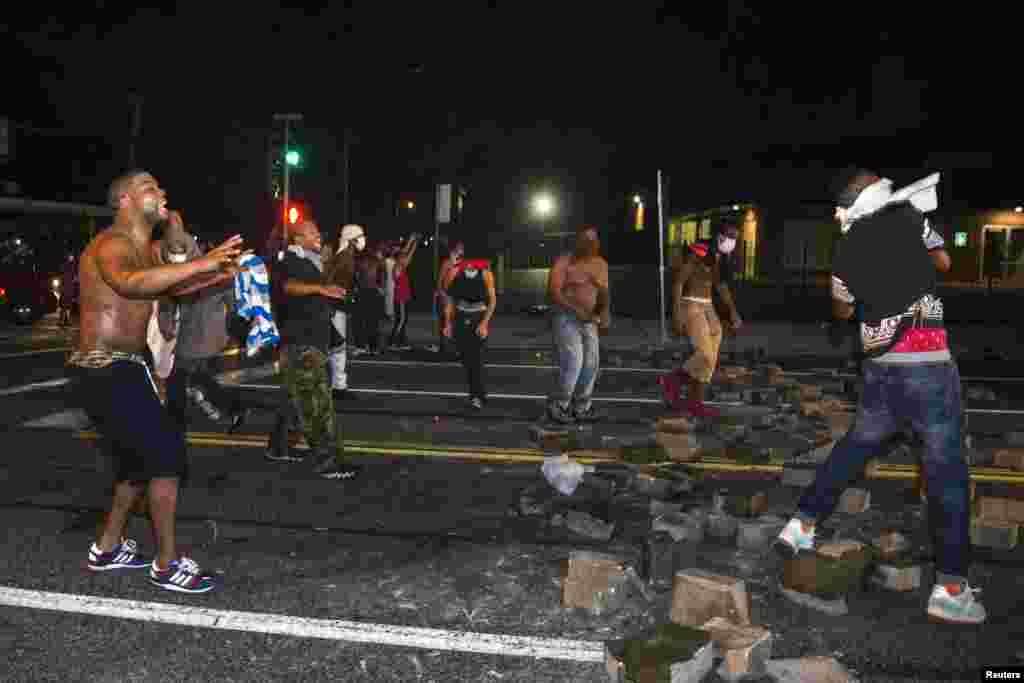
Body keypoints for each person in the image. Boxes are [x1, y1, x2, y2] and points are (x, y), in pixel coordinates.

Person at [775, 168, 985, 625]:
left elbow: (842, 307)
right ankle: (951, 587)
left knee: (858, 443)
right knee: (946, 470)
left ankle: (802, 524)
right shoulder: (911, 218)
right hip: (928, 366)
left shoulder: (847, 246)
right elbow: (945, 263)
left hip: (879, 370)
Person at [68, 169, 242, 594]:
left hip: (126, 366)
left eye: (161, 186)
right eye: (150, 188)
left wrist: (218, 273)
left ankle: (106, 548)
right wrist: (203, 263)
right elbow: (128, 283)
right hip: (103, 366)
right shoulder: (113, 243)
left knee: (135, 465)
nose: (160, 192)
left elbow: (167, 289)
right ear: (124, 200)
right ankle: (166, 564)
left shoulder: (145, 250)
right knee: (165, 455)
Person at [266, 219, 360, 481]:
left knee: (294, 399)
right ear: (298, 238)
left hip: (305, 341)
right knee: (318, 405)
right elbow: (288, 288)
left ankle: (279, 447)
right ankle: (328, 462)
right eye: (312, 232)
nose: (318, 235)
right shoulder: (290, 261)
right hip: (303, 342)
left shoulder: (308, 261)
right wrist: (321, 288)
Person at [158, 219, 248, 434]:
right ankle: (231, 410)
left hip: (203, 333)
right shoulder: (191, 267)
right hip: (198, 332)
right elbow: (168, 299)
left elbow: (231, 300)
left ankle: (177, 421)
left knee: (181, 378)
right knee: (196, 377)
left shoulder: (208, 268)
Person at [660, 220, 743, 417]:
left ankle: (695, 402)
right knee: (704, 354)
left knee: (711, 360)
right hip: (691, 304)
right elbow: (679, 281)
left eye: (736, 237)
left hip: (708, 306)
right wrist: (676, 313)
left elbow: (721, 286)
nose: (733, 241)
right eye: (730, 236)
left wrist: (733, 312)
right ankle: (673, 380)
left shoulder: (720, 257)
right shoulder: (701, 249)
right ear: (719, 235)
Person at [545, 226, 610, 424]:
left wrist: (604, 314)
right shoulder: (564, 262)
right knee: (574, 361)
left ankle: (582, 407)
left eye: (594, 241)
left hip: (590, 320)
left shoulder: (600, 264)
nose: (591, 245)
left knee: (591, 362)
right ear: (578, 242)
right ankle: (560, 404)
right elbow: (555, 292)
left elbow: (604, 292)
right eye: (586, 241)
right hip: (567, 318)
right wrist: (576, 310)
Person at [442, 252, 496, 410]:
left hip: (478, 317)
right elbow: (450, 299)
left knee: (476, 359)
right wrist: (448, 324)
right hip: (460, 317)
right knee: (467, 360)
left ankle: (478, 396)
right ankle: (476, 394)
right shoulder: (456, 272)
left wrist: (484, 323)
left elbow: (492, 302)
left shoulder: (485, 273)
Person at [323, 223, 365, 400]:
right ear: (352, 239)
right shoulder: (345, 257)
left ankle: (337, 384)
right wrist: (330, 304)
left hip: (337, 305)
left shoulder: (346, 255)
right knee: (337, 346)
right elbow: (332, 281)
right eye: (359, 236)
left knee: (336, 346)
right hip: (335, 306)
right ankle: (338, 386)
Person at [353, 240, 386, 355]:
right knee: (372, 321)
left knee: (361, 321)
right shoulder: (375, 261)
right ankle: (373, 346)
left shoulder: (361, 261)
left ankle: (363, 346)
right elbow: (382, 276)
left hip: (364, 292)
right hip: (371, 292)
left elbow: (356, 276)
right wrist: (381, 288)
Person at [388, 234, 420, 350]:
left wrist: (413, 242)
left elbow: (407, 255)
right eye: (402, 257)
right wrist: (413, 242)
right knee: (401, 321)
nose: (405, 258)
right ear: (399, 258)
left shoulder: (400, 265)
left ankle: (400, 341)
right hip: (400, 298)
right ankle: (393, 342)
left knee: (402, 320)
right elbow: (408, 256)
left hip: (404, 297)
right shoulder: (398, 267)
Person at [433, 240, 463, 354]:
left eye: (462, 248)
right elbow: (439, 282)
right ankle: (444, 348)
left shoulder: (461, 264)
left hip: (456, 298)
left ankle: (454, 348)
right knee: (445, 323)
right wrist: (442, 295)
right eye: (459, 247)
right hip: (446, 297)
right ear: (454, 249)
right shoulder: (446, 263)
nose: (461, 250)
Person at [59, 253, 78, 327]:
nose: (72, 258)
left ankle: (67, 321)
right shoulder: (65, 266)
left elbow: (75, 277)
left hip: (70, 288)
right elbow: (62, 276)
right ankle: (62, 321)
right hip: (65, 288)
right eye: (71, 256)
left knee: (68, 306)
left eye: (72, 257)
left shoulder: (73, 266)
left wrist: (75, 280)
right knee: (64, 305)